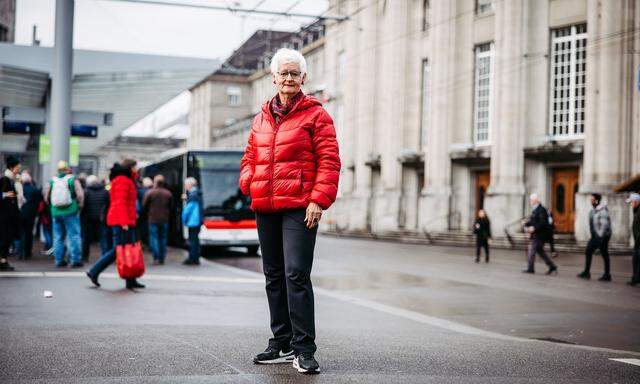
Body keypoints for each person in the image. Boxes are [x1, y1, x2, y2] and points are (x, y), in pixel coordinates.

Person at [240, 48, 340, 374]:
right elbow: (249, 158)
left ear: (303, 78)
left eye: (294, 74)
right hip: (266, 205)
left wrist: (318, 200)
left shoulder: (317, 115)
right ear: (273, 78)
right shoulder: (260, 119)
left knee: (296, 274)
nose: (288, 78)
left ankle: (303, 348)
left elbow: (329, 162)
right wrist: (248, 183)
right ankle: (281, 342)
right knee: (273, 275)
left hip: (300, 206)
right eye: (283, 73)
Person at [87, 159, 145, 290]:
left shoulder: (127, 179)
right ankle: (94, 271)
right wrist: (124, 222)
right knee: (117, 250)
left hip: (127, 220)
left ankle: (131, 280)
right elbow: (120, 203)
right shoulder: (122, 180)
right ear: (130, 168)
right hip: (121, 221)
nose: (137, 170)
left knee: (127, 250)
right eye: (135, 167)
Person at [43, 161, 84, 268]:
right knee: (73, 235)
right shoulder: (72, 179)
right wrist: (79, 206)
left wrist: (53, 207)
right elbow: (80, 195)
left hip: (56, 212)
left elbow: (46, 197)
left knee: (58, 237)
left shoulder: (52, 180)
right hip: (71, 211)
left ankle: (59, 259)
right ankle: (74, 259)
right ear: (67, 169)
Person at [577, 193, 612, 281]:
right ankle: (591, 273)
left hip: (601, 236)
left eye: (592, 200)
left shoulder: (602, 210)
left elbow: (604, 225)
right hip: (595, 236)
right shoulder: (594, 210)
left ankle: (591, 273)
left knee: (598, 253)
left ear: (596, 200)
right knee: (599, 253)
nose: (590, 201)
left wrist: (600, 237)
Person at [522, 193, 558, 275]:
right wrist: (526, 223)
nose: (530, 201)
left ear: (536, 200)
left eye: (531, 200)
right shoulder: (535, 210)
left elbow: (543, 222)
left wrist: (534, 228)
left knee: (532, 250)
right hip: (537, 234)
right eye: (530, 200)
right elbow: (533, 221)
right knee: (540, 252)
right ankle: (552, 266)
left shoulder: (541, 209)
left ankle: (530, 268)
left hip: (540, 235)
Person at [142, 175, 172, 265]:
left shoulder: (150, 193)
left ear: (155, 182)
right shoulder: (168, 193)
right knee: (163, 238)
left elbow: (144, 205)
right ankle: (162, 258)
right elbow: (171, 206)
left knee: (154, 238)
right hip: (164, 219)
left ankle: (156, 257)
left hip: (152, 219)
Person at [81, 175, 111, 262]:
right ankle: (105, 256)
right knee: (103, 238)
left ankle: (85, 257)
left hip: (88, 218)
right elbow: (108, 205)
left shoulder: (86, 191)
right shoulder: (105, 192)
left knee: (86, 239)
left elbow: (83, 206)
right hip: (101, 218)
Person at [0, 156, 21, 271]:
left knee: (6, 238)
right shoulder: (5, 179)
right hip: (4, 216)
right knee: (4, 239)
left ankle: (3, 260)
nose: (19, 169)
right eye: (18, 167)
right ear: (12, 167)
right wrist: (4, 195)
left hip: (8, 216)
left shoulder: (12, 180)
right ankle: (3, 261)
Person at [19, 172, 42, 260]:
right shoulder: (34, 189)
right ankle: (28, 251)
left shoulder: (19, 189)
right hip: (31, 214)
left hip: (20, 213)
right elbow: (39, 201)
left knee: (21, 233)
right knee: (29, 233)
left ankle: (21, 252)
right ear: (30, 180)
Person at [181, 177, 202, 265]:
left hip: (193, 221)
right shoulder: (198, 193)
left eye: (186, 185)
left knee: (192, 241)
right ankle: (196, 258)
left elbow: (188, 210)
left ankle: (192, 258)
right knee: (196, 240)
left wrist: (184, 219)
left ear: (190, 185)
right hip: (198, 221)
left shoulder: (192, 195)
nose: (185, 186)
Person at [627, 193, 640, 286]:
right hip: (637, 241)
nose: (631, 204)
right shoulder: (636, 210)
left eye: (631, 202)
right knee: (635, 259)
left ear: (636, 201)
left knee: (636, 259)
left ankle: (636, 278)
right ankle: (635, 278)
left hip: (639, 241)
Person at [136, 177, 153, 247]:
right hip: (151, 214)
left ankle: (141, 243)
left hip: (142, 213)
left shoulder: (139, 191)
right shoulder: (153, 191)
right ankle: (149, 244)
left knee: (141, 229)